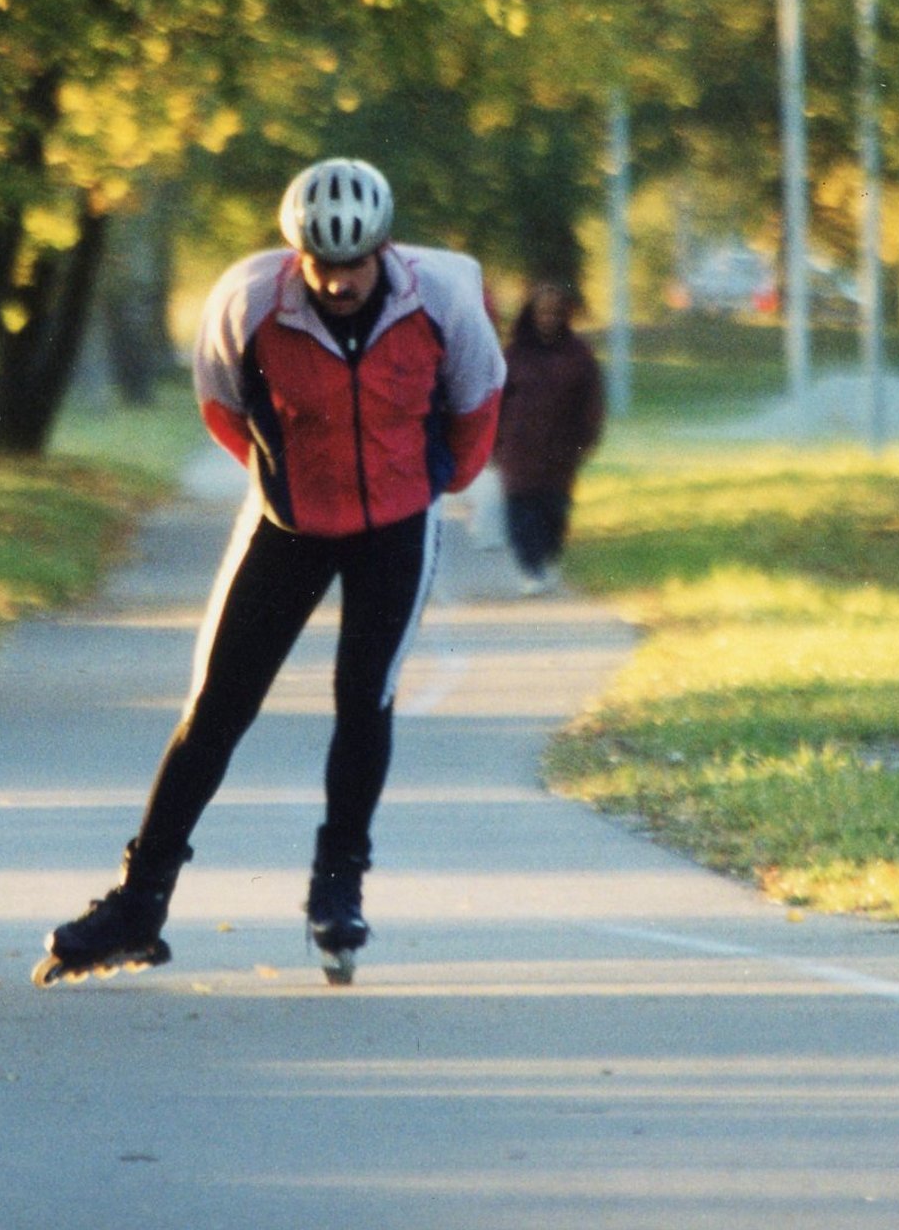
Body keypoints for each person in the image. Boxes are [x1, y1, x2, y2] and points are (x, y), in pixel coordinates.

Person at [33, 157, 506, 987]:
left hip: (397, 524)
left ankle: (338, 887)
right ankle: (139, 900)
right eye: (321, 264)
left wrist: (428, 486)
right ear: (297, 255)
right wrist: (286, 481)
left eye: (354, 263)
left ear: (384, 252)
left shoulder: (445, 300)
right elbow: (222, 410)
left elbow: (477, 409)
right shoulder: (249, 302)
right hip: (287, 523)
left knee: (365, 697)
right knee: (216, 707)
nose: (338, 281)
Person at [493, 282, 605, 594]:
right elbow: (495, 402)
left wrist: (586, 442)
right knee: (521, 511)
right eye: (543, 312)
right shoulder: (513, 355)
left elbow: (592, 403)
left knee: (554, 511)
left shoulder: (579, 356)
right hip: (518, 450)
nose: (549, 318)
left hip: (561, 451)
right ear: (531, 315)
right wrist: (493, 443)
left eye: (556, 313)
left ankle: (548, 558)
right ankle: (530, 567)